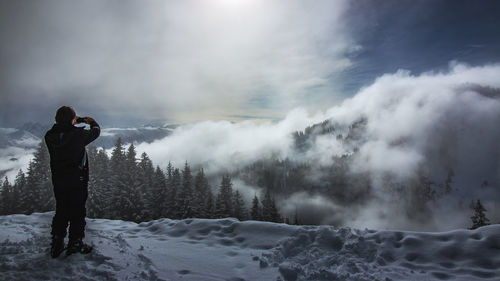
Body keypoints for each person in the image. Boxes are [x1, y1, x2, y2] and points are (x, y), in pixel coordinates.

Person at [45, 106, 100, 258]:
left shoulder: (49, 136)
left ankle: (57, 242)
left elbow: (63, 132)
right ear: (71, 119)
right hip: (77, 179)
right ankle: (75, 243)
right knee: (77, 211)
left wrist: (71, 122)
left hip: (59, 180)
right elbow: (96, 132)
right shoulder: (77, 135)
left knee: (61, 209)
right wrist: (92, 122)